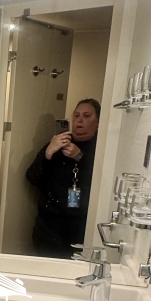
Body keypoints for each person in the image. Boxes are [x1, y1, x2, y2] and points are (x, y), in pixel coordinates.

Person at [25, 98, 101, 258]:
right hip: (48, 227)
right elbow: (32, 178)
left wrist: (80, 156)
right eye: (76, 115)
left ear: (98, 121)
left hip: (80, 229)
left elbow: (101, 181)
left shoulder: (102, 148)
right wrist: (48, 153)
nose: (80, 121)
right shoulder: (58, 143)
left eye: (87, 116)